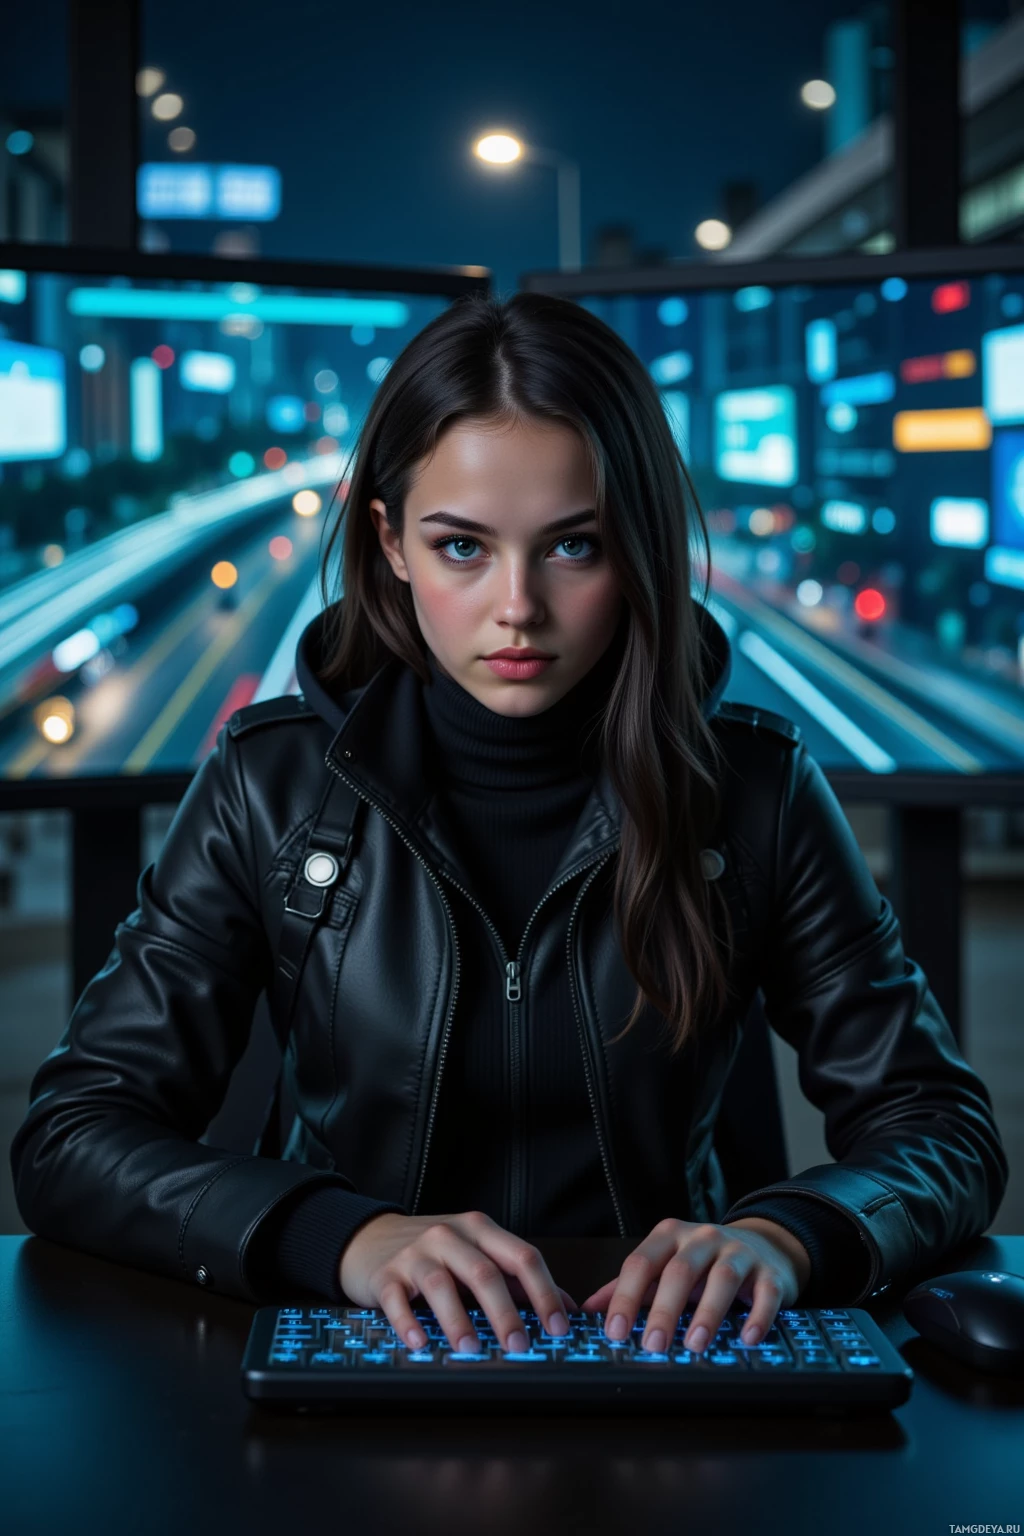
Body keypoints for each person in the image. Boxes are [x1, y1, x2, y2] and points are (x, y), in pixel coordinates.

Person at [10, 293, 1008, 1365]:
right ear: (390, 542)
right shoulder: (269, 782)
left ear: (635, 546)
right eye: (462, 548)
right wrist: (337, 1238)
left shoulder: (754, 789)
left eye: (573, 546)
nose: (517, 607)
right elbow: (73, 1137)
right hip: (350, 1345)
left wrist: (786, 1238)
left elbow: (938, 1127)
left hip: (668, 1354)